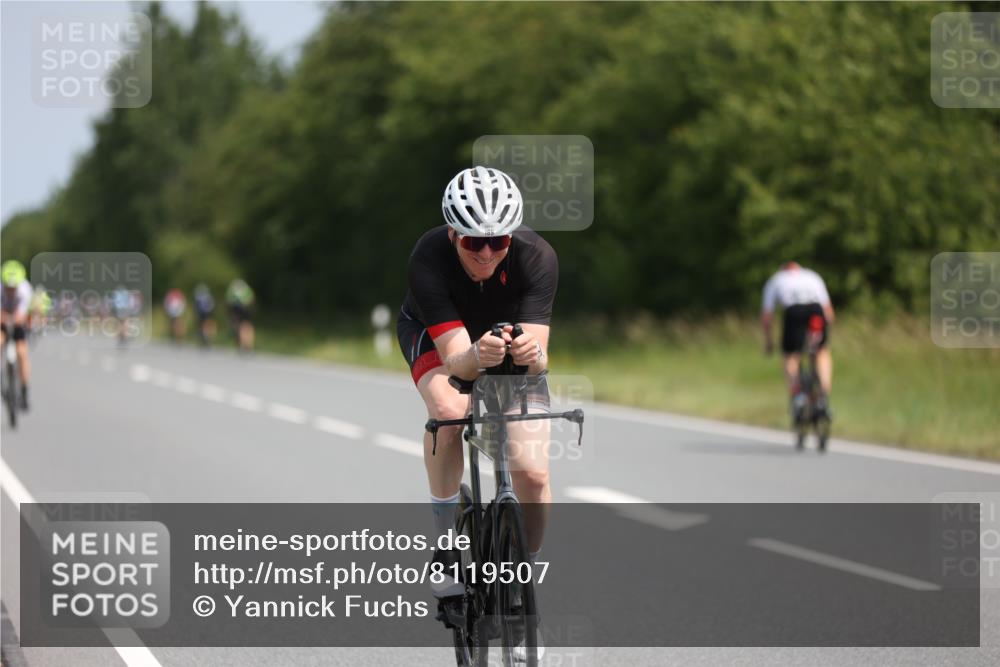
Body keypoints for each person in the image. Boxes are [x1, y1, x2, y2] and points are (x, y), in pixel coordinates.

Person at [398, 166, 557, 617]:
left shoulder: (537, 256)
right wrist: (477, 354)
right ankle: (446, 546)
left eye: (498, 241)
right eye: (473, 242)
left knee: (534, 476)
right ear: (453, 234)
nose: (487, 253)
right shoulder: (429, 256)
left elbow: (539, 359)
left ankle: (522, 573)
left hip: (503, 340)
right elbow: (456, 362)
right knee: (449, 410)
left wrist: (530, 353)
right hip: (438, 337)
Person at [761, 261, 835, 418]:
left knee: (791, 355)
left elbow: (767, 316)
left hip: (794, 312)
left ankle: (797, 395)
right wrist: (825, 337)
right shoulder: (813, 276)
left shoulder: (776, 279)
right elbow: (829, 312)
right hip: (816, 311)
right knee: (821, 352)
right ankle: (823, 394)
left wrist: (769, 342)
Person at [1, 260, 33, 410]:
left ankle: (24, 391)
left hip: (18, 322)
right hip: (3, 321)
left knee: (22, 353)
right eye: (8, 287)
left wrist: (16, 318)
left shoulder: (25, 289)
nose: (10, 290)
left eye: (13, 288)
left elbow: (22, 314)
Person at [225, 279, 255, 353]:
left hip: (237, 310)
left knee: (239, 327)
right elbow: (252, 299)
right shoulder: (247, 289)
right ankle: (248, 345)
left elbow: (228, 301)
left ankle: (241, 344)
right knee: (247, 326)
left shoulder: (232, 289)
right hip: (246, 309)